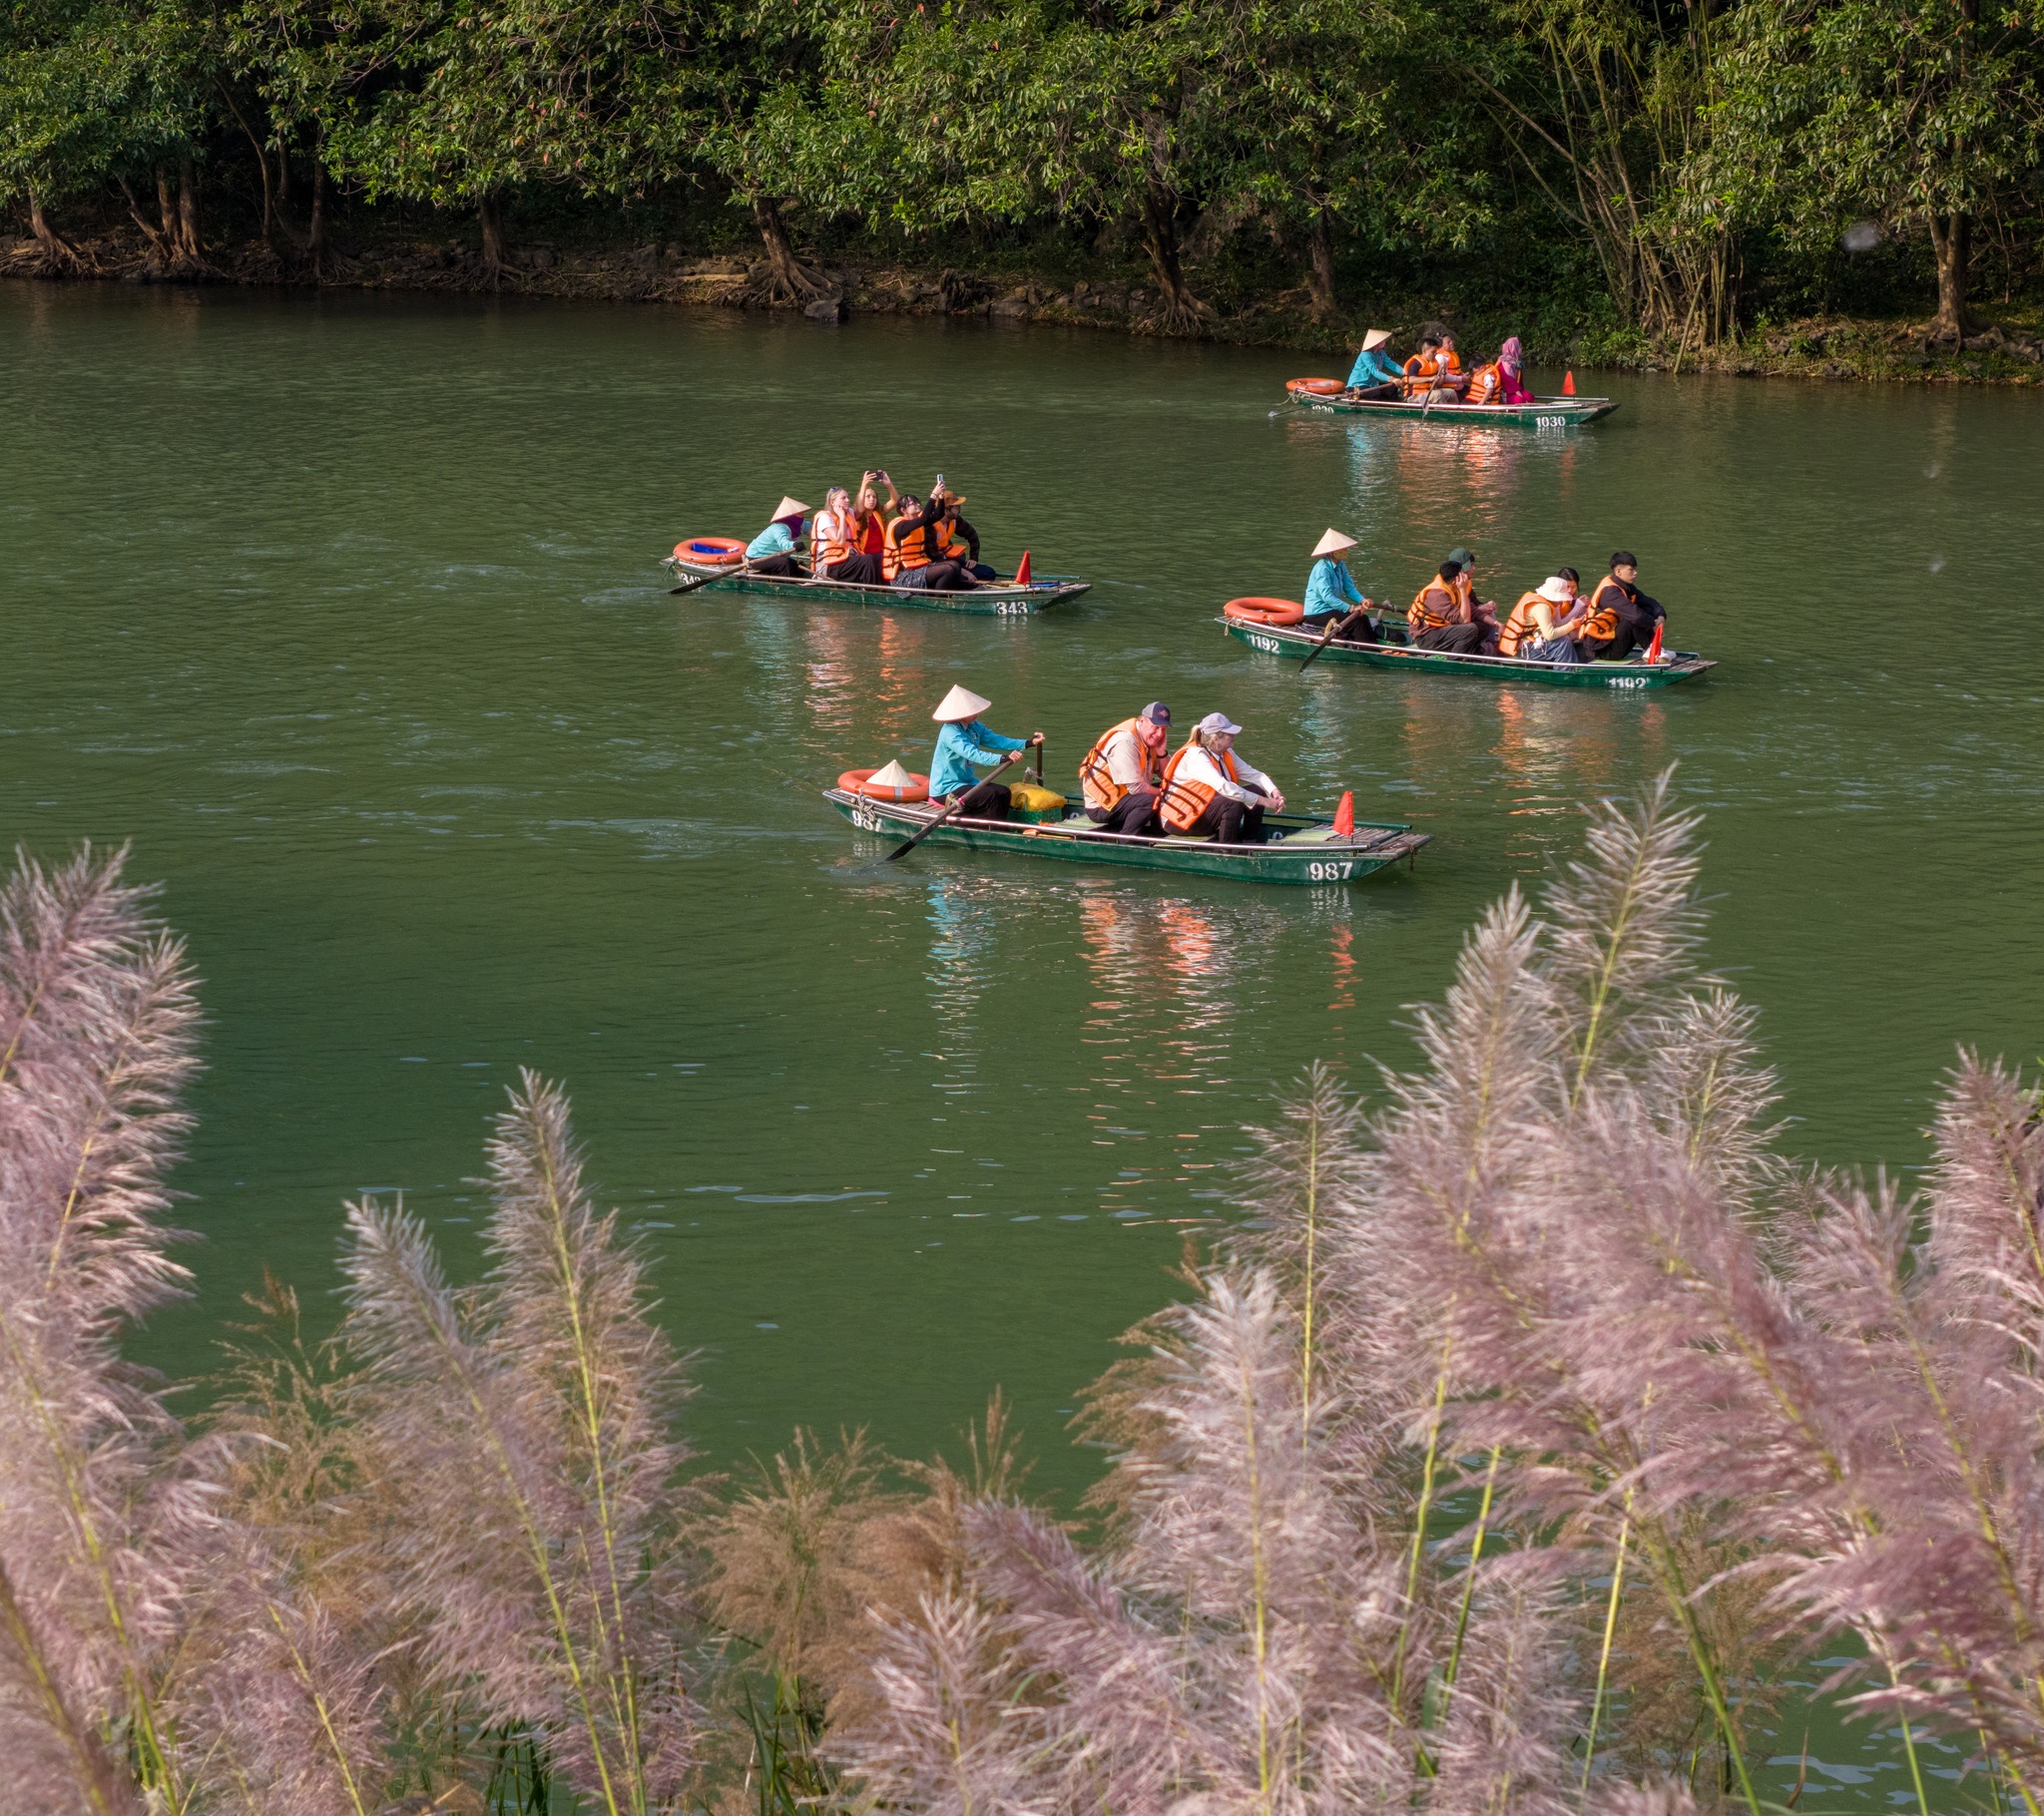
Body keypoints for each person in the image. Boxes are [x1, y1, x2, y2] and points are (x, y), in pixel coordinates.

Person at [1160, 712, 1285, 844]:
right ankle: (1226, 850)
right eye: (1229, 733)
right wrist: (1266, 802)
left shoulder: (1226, 752)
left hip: (1202, 813)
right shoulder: (1196, 756)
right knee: (1232, 801)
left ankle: (1249, 842)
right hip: (1179, 820)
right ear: (1216, 739)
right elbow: (1225, 788)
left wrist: (1273, 791)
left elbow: (1253, 774)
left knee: (1256, 790)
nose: (1234, 735)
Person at [928, 684, 1041, 819]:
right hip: (947, 788)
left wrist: (1028, 743)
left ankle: (999, 825)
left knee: (1004, 792)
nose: (977, 713)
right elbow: (972, 753)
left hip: (967, 782)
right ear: (962, 713)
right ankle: (996, 831)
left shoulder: (975, 726)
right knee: (990, 796)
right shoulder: (950, 732)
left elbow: (997, 740)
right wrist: (1003, 758)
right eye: (973, 710)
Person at [1079, 701, 1172, 837]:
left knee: (1169, 788)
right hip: (1102, 807)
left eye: (1163, 729)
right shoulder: (1125, 742)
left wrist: (1161, 751)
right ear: (1142, 721)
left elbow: (1169, 777)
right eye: (1155, 727)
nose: (1159, 734)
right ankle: (1126, 840)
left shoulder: (1150, 740)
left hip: (1126, 798)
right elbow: (1136, 788)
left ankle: (1156, 834)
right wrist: (1164, 795)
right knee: (1151, 800)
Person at [1579, 551, 1667, 660]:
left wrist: (1661, 616)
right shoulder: (1610, 592)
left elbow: (1650, 602)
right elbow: (1636, 616)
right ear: (1618, 571)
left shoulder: (1626, 587)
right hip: (1602, 650)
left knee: (1647, 609)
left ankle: (1655, 648)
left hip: (1612, 642)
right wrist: (1653, 623)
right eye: (1631, 570)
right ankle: (1650, 649)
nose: (1635, 573)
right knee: (1633, 617)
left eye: (1635, 569)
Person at [884, 494, 977, 591]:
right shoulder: (901, 526)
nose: (918, 505)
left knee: (955, 566)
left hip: (919, 567)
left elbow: (938, 515)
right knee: (949, 569)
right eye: (913, 503)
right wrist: (933, 495)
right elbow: (923, 519)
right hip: (904, 575)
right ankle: (939, 599)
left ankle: (942, 596)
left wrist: (940, 497)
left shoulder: (920, 524)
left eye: (918, 502)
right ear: (903, 510)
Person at [1301, 528, 1378, 644]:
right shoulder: (1322, 568)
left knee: (1364, 618)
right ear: (1333, 551)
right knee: (1357, 620)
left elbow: (1349, 588)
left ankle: (1373, 646)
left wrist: (1362, 600)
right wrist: (1350, 608)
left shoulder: (1341, 565)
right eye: (1343, 548)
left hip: (1332, 609)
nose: (1346, 550)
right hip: (1318, 612)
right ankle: (1367, 650)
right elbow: (1327, 597)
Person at [1498, 576, 1588, 664]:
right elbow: (1550, 635)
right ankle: (1565, 674)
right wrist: (1572, 625)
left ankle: (1570, 667)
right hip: (1523, 649)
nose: (1561, 602)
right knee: (1563, 643)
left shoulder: (1542, 601)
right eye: (1561, 598)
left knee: (1565, 639)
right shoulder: (1542, 607)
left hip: (1529, 643)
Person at [1407, 559, 1484, 655]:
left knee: (1483, 626)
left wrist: (1496, 624)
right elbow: (1464, 620)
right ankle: (1455, 659)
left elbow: (1472, 610)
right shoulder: (1436, 595)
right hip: (1427, 637)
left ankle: (1471, 651)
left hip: (1442, 629)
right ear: (1455, 580)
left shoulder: (1454, 588)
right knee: (1470, 629)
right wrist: (1463, 590)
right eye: (1462, 574)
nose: (1465, 576)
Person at [811, 486, 885, 584]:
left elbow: (860, 508)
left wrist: (865, 482)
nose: (847, 500)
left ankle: (887, 588)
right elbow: (840, 540)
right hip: (828, 565)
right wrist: (841, 516)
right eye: (843, 498)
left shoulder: (849, 513)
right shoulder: (825, 518)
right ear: (832, 502)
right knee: (867, 560)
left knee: (883, 557)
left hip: (848, 559)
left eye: (848, 497)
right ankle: (871, 592)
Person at [1446, 545, 1502, 651]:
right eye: (1471, 565)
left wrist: (1485, 606)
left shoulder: (1466, 584)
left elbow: (1475, 604)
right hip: (1447, 628)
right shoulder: (1447, 587)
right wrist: (1480, 609)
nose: (1474, 569)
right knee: (1473, 627)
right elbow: (1457, 616)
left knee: (1489, 614)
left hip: (1463, 620)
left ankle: (1487, 645)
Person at [933, 491, 996, 581]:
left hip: (953, 562)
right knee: (956, 577)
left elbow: (972, 535)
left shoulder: (955, 520)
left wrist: (973, 557)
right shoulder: (929, 526)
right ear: (946, 510)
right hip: (938, 566)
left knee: (989, 572)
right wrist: (963, 572)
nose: (959, 509)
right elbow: (931, 559)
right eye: (957, 507)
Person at [745, 497, 809, 577]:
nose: (802, 516)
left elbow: (814, 529)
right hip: (757, 557)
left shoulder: (800, 525)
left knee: (797, 567)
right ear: (791, 515)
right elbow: (783, 543)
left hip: (776, 555)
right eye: (799, 514)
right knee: (784, 563)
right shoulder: (779, 528)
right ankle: (787, 586)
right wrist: (795, 545)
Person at [1344, 327, 1403, 399]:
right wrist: (1391, 379)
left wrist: (1405, 371)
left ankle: (1392, 407)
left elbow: (1391, 364)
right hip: (1357, 385)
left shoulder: (1381, 353)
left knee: (1393, 388)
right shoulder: (1365, 355)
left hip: (1372, 384)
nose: (1384, 342)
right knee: (1376, 393)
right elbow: (1374, 371)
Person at [851, 470, 897, 559]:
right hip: (865, 557)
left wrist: (888, 484)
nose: (872, 499)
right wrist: (864, 484)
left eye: (874, 497)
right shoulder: (855, 515)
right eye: (868, 497)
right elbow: (859, 508)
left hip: (881, 554)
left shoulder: (879, 513)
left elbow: (895, 500)